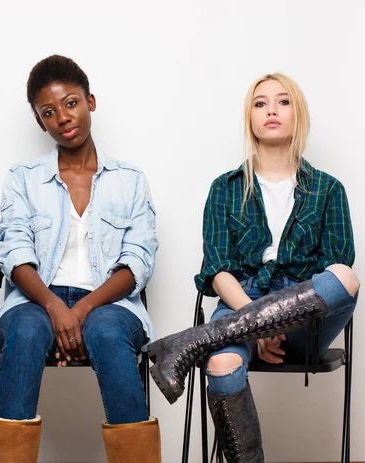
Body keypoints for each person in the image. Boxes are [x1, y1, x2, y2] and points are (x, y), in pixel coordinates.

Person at [148, 73, 359, 462]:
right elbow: (217, 269)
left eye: (283, 102)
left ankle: (192, 340)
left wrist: (280, 323)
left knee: (345, 277)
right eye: (260, 103)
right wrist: (257, 324)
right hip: (242, 299)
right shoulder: (225, 188)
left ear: (299, 114)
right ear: (250, 118)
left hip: (304, 317)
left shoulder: (328, 189)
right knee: (222, 361)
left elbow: (336, 267)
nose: (271, 110)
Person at [0, 55, 160, 463]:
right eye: (49, 112)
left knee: (107, 333)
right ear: (39, 121)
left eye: (71, 103)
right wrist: (54, 309)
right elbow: (15, 252)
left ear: (90, 102)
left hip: (109, 303)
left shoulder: (130, 180)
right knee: (26, 332)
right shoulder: (22, 178)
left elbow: (138, 261)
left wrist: (79, 310)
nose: (63, 117)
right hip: (35, 300)